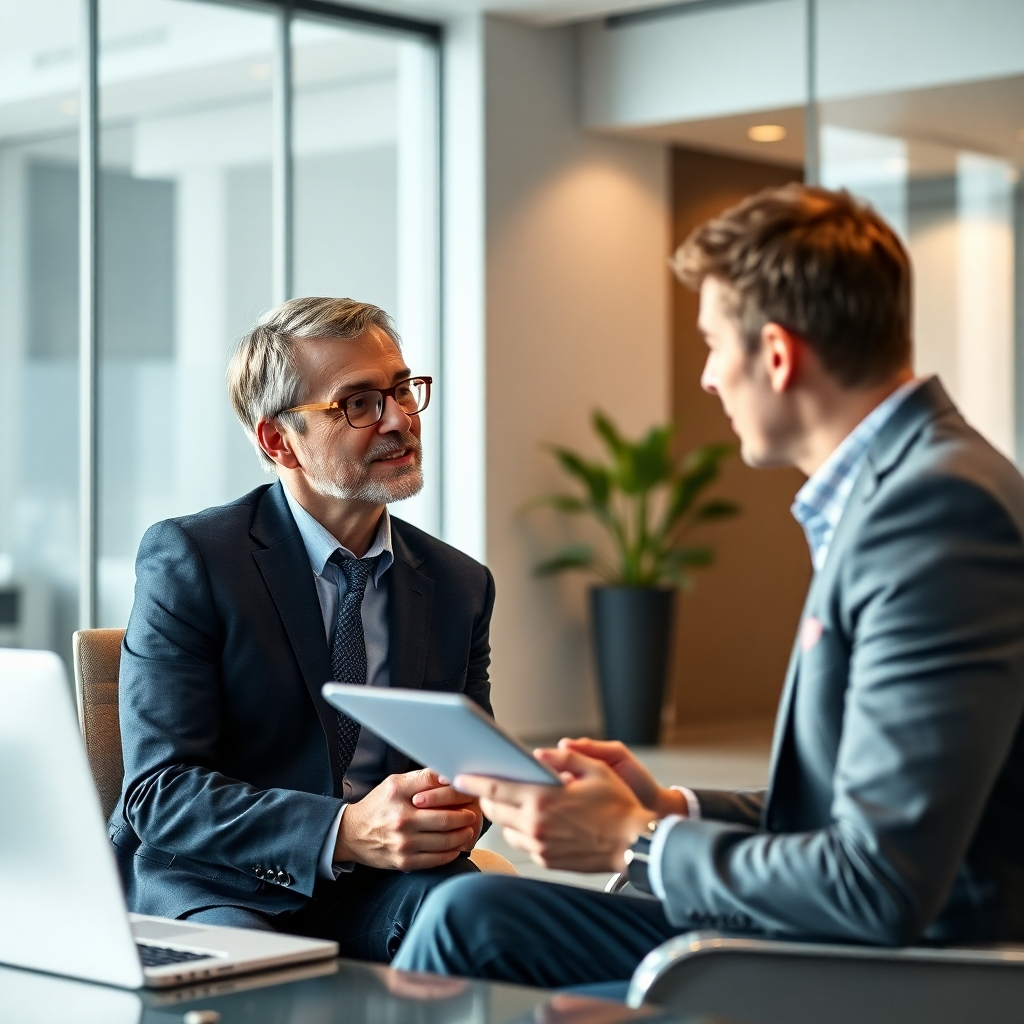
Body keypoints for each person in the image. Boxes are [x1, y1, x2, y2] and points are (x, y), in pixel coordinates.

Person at [392, 184, 1024, 987]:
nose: (708, 379)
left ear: (778, 353)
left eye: (714, 344)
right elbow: (859, 804)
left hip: (903, 974)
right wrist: (666, 811)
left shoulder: (936, 513)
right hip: (841, 937)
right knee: (470, 914)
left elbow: (880, 883)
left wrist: (632, 842)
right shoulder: (904, 489)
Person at [110, 297, 495, 962]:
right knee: (262, 980)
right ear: (277, 440)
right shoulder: (194, 560)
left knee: (491, 920)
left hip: (385, 885)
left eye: (402, 389)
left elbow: (469, 766)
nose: (401, 419)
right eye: (359, 403)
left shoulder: (457, 584)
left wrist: (463, 805)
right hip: (220, 883)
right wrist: (342, 831)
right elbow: (159, 792)